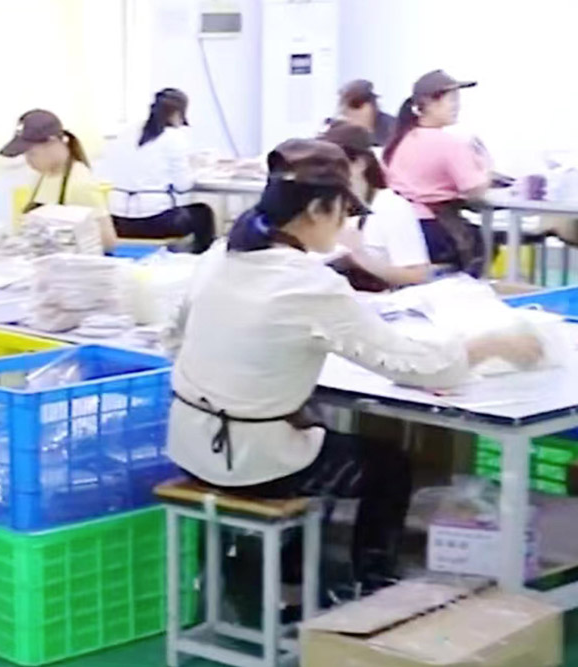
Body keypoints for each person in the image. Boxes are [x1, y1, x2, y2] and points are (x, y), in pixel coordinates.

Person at [165, 138, 542, 592]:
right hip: (251, 459)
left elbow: (176, 336)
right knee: (389, 467)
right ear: (320, 210)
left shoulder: (218, 255)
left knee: (317, 426)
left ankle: (285, 570)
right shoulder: (311, 284)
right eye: (346, 213)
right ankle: (372, 585)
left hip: (188, 440)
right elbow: (420, 367)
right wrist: (493, 344)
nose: (347, 225)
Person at [384, 70, 491, 277]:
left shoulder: (401, 139)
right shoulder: (450, 143)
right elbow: (474, 189)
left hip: (402, 227)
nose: (457, 106)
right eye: (451, 100)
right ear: (428, 104)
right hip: (436, 230)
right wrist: (486, 171)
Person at [319, 121, 432, 290]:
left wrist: (359, 256)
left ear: (359, 164)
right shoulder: (323, 204)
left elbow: (417, 275)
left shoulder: (391, 207)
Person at [106, 88, 216, 254]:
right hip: (153, 223)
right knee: (203, 213)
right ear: (178, 113)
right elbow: (182, 186)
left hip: (117, 221)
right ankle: (201, 261)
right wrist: (198, 170)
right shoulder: (174, 138)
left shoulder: (126, 133)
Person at [0, 109, 118, 251]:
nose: (28, 161)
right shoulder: (40, 176)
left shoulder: (79, 183)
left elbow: (108, 241)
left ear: (53, 143)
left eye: (32, 154)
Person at [330, 79, 395, 147]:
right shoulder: (338, 132)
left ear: (372, 105)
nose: (348, 113)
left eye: (356, 105)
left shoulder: (393, 128)